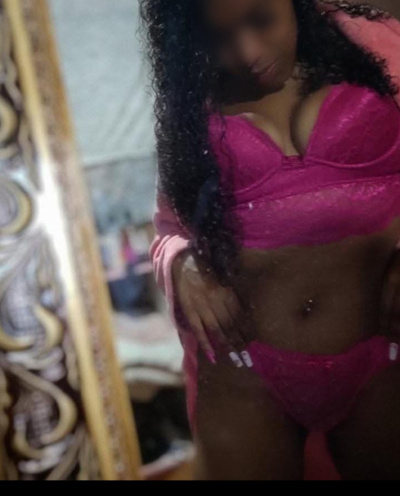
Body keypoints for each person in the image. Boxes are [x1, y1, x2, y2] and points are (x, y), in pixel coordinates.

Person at [142, 0, 400, 479]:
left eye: (261, 20)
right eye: (221, 37)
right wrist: (182, 264)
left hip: (384, 352)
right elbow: (169, 231)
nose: (248, 53)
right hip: (246, 371)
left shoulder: (378, 46)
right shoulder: (190, 116)